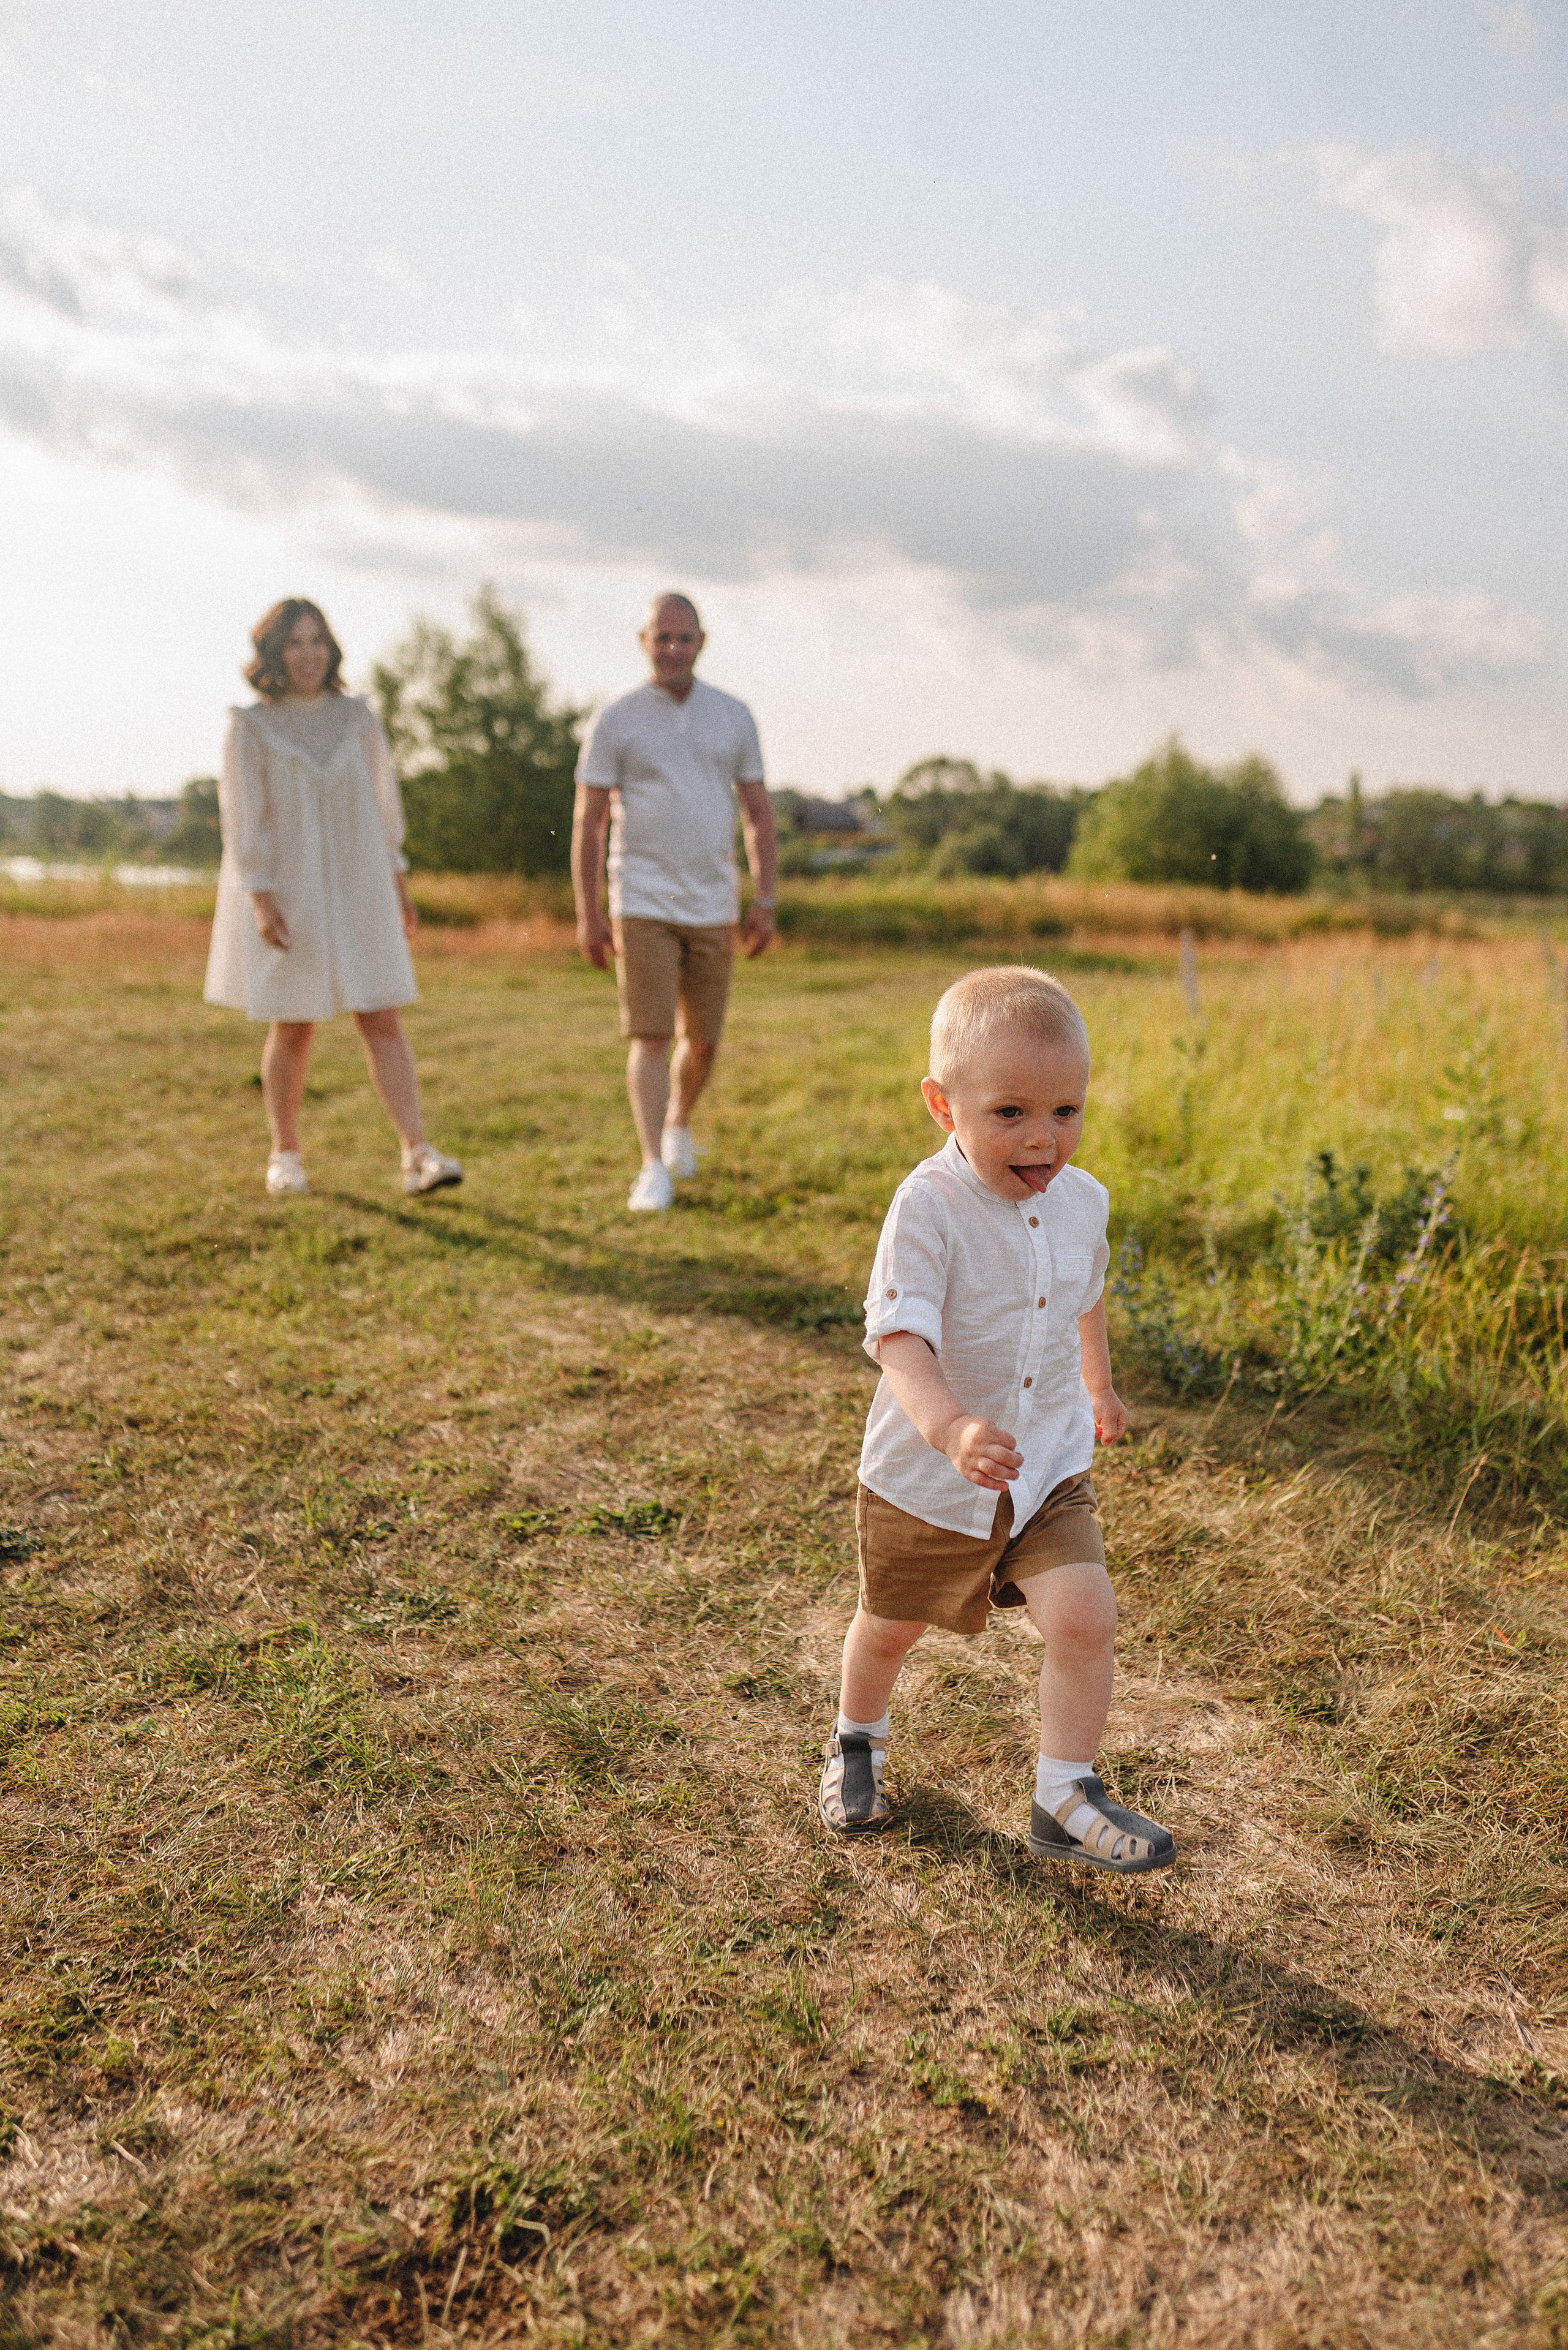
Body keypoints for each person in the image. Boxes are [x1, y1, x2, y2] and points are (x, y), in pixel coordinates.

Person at [818, 965, 1177, 1874]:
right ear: (944, 1106)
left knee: (1087, 1614)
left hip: (1046, 1464)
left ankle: (1065, 1792)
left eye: (1067, 1111)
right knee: (891, 1624)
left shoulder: (1085, 1199)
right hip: (929, 1472)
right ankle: (857, 1739)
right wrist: (952, 1429)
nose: (1044, 1138)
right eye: (1011, 1113)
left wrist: (1097, 1386)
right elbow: (899, 1341)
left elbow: (1085, 1295)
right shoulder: (928, 1208)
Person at [203, 597, 464, 1200]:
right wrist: (262, 899)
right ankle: (285, 1154)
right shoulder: (252, 726)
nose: (308, 654)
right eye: (294, 643)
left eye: (317, 640)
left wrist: (398, 885)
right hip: (291, 889)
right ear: (274, 653)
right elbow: (243, 821)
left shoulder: (358, 718)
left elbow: (384, 806)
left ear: (332, 648)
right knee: (293, 1023)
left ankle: (417, 1153)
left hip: (359, 882)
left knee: (382, 1014)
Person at [571, 593, 778, 1212]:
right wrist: (589, 913)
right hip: (641, 897)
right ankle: (651, 1166)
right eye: (662, 637)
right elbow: (589, 821)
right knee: (652, 1035)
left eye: (683, 638)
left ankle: (678, 1121)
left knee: (705, 1041)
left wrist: (764, 898)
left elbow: (758, 814)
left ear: (701, 642)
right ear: (644, 641)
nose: (672, 649)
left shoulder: (734, 716)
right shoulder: (616, 719)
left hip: (714, 901)